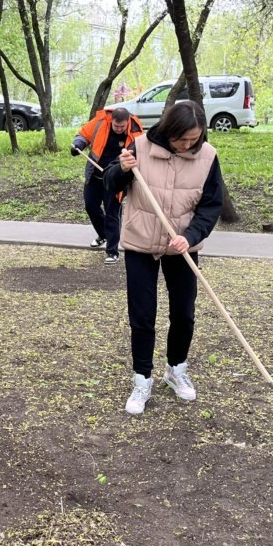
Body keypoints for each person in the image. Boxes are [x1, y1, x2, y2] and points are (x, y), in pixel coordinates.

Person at [102, 100, 225, 416]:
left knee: (184, 313)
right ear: (169, 130)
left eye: (194, 139)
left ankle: (176, 369)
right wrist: (121, 169)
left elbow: (212, 204)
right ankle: (142, 379)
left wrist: (192, 236)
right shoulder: (140, 147)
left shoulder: (207, 156)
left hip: (182, 245)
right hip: (141, 243)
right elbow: (111, 184)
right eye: (182, 139)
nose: (188, 145)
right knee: (142, 315)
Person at [71, 107, 142, 264]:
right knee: (90, 206)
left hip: (116, 180)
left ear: (127, 122)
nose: (119, 129)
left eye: (122, 127)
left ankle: (112, 251)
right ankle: (103, 234)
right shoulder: (101, 122)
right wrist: (78, 144)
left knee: (112, 213)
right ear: (111, 121)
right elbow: (84, 134)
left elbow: (140, 152)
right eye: (116, 126)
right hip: (95, 175)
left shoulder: (135, 131)